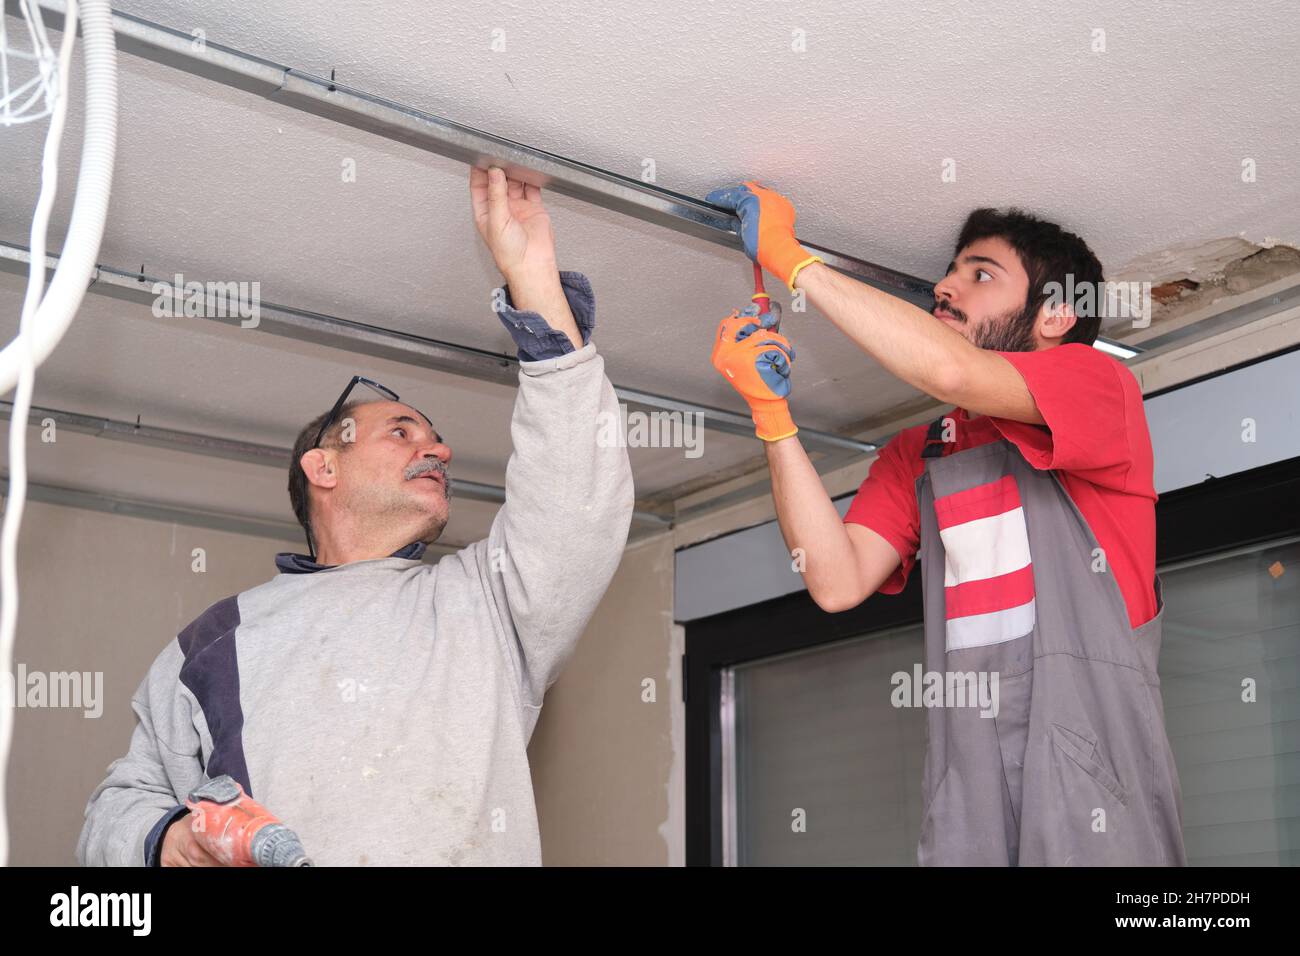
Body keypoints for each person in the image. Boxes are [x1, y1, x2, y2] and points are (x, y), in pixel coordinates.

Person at [76, 167, 635, 866]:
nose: (440, 447)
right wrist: (173, 841)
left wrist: (536, 283)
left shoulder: (483, 603)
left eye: (433, 438)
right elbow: (117, 808)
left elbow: (575, 503)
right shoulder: (214, 644)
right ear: (324, 468)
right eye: (402, 431)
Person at [707, 181, 1185, 865]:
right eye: (952, 270)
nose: (943, 285)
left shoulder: (1100, 388)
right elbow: (835, 581)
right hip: (971, 776)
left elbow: (952, 373)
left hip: (1095, 776)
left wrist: (788, 256)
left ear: (1054, 315)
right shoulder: (921, 454)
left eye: (979, 273)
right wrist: (771, 418)